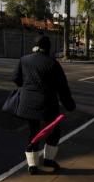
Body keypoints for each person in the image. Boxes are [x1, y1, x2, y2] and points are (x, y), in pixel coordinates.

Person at [12, 35, 76, 174]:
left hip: (28, 103)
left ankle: (32, 165)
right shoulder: (52, 63)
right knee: (54, 132)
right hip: (48, 104)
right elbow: (62, 87)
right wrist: (69, 104)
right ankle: (48, 160)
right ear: (48, 47)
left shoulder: (24, 60)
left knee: (33, 133)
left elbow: (16, 79)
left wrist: (28, 86)